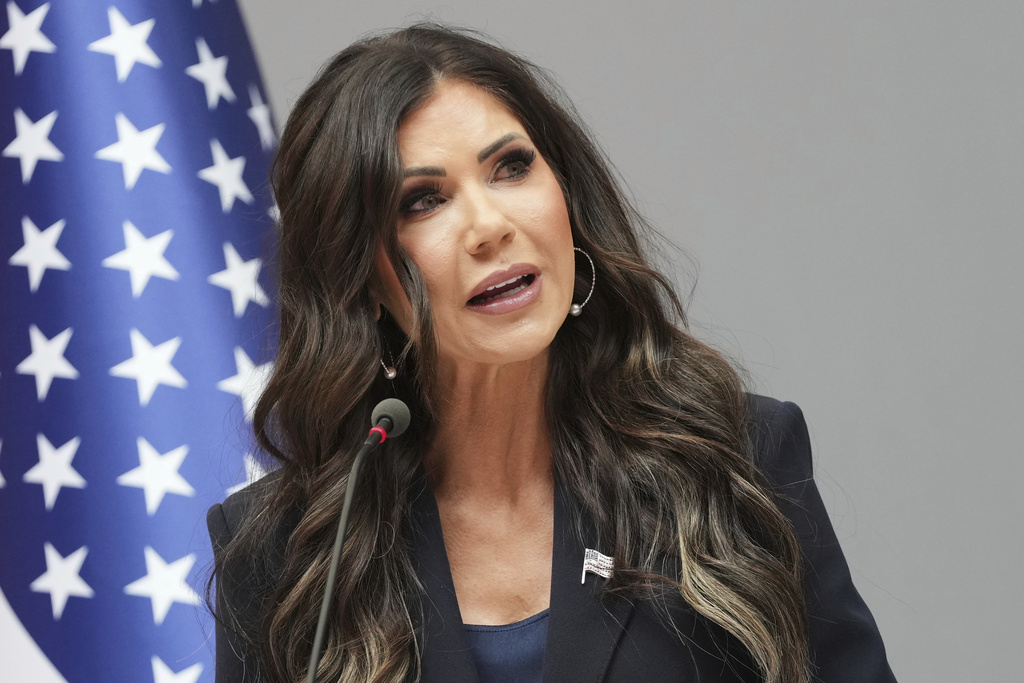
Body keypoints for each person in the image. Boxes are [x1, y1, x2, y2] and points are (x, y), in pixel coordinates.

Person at [207, 23, 896, 683]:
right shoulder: (286, 556)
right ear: (361, 281)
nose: (489, 226)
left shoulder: (733, 459)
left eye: (511, 167)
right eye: (423, 201)